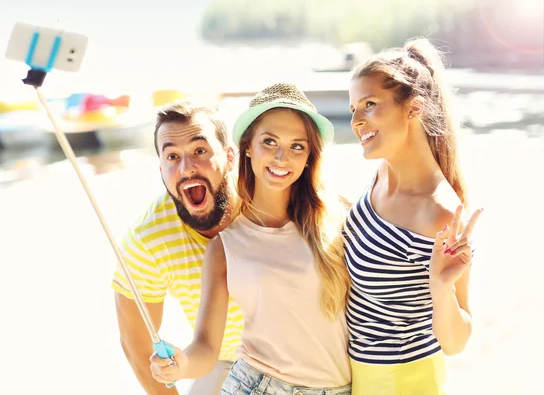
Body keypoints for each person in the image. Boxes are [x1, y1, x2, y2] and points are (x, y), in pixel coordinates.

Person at [150, 83, 353, 395]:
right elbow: (206, 347)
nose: (282, 157)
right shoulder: (224, 247)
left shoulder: (342, 217)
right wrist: (181, 364)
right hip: (258, 387)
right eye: (269, 142)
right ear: (247, 147)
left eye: (297, 146)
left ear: (310, 155)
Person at [344, 37, 483, 394]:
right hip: (359, 376)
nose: (356, 121)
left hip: (403, 381)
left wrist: (440, 287)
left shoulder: (441, 213)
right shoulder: (380, 175)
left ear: (413, 107)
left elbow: (456, 341)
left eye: (369, 105)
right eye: (353, 108)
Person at [112, 102, 245, 395]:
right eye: (172, 156)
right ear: (161, 169)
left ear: (230, 157)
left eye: (200, 151)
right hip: (222, 361)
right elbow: (136, 342)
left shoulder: (267, 196)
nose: (186, 168)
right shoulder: (148, 239)